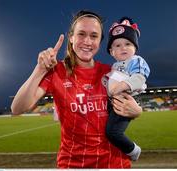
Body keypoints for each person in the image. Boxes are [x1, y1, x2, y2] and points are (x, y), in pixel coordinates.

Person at [11, 10, 142, 168]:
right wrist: (39, 70)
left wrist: (137, 111)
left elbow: (129, 105)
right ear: (71, 37)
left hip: (115, 163)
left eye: (94, 36)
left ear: (100, 42)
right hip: (73, 164)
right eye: (81, 34)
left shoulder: (111, 72)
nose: (87, 41)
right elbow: (17, 108)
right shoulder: (56, 72)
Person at [105, 17, 150, 161]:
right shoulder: (115, 66)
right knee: (107, 128)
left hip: (126, 101)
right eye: (117, 45)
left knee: (113, 132)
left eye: (127, 44)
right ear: (112, 52)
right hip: (115, 100)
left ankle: (133, 151)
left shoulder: (136, 60)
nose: (123, 47)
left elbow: (139, 77)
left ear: (135, 47)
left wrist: (120, 87)